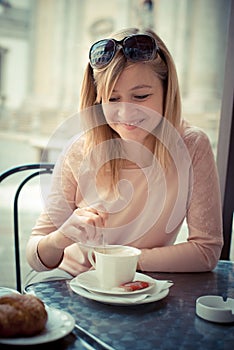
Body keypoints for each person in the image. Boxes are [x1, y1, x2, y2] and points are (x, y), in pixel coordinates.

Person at [26, 27, 223, 284]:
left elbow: (206, 251)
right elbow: (35, 256)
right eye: (113, 99)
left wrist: (126, 260)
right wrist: (62, 237)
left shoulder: (192, 146)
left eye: (141, 96)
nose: (126, 114)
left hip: (143, 284)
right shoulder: (80, 149)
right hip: (71, 279)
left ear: (168, 91)